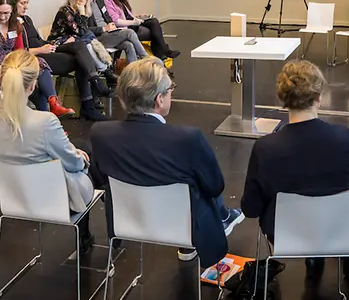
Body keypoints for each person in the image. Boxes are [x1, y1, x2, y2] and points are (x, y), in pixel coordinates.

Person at [89, 58, 244, 265]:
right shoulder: (187, 138)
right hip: (185, 226)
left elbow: (101, 178)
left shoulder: (100, 133)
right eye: (170, 89)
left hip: (129, 221)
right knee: (199, 182)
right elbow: (215, 187)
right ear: (159, 100)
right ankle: (210, 228)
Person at [241, 61, 349, 280]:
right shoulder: (347, 139)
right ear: (318, 97)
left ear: (283, 99)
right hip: (338, 231)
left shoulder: (266, 148)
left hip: (284, 235)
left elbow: (251, 208)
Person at [0, 50, 97, 252]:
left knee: (77, 148)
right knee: (86, 152)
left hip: (14, 197)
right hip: (56, 200)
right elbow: (74, 164)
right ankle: (88, 237)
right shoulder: (45, 122)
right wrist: (81, 157)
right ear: (33, 85)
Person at [10, 0, 111, 121]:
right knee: (80, 58)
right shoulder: (12, 24)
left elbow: (39, 41)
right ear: (12, 3)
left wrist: (49, 45)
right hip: (35, 56)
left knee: (80, 47)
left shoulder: (27, 19)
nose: (26, 7)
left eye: (27, 3)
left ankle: (93, 90)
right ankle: (91, 99)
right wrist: (42, 49)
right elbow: (16, 52)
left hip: (45, 49)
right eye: (23, 3)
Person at [0, 0, 73, 118]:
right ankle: (48, 120)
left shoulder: (15, 26)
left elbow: (19, 51)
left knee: (39, 64)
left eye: (6, 13)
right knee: (32, 87)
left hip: (12, 63)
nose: (2, 17)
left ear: (12, 11)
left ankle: (53, 102)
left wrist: (6, 66)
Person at [101, 0, 179, 60]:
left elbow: (124, 15)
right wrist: (134, 22)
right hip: (126, 28)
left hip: (132, 22)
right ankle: (163, 55)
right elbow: (116, 21)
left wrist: (138, 17)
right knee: (155, 33)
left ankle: (163, 56)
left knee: (153, 21)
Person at [82, 0, 150, 63]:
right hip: (95, 37)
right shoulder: (83, 4)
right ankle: (146, 59)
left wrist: (112, 25)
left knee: (129, 45)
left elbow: (108, 17)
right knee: (130, 32)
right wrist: (103, 29)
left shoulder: (99, 0)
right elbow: (84, 29)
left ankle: (130, 73)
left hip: (108, 34)